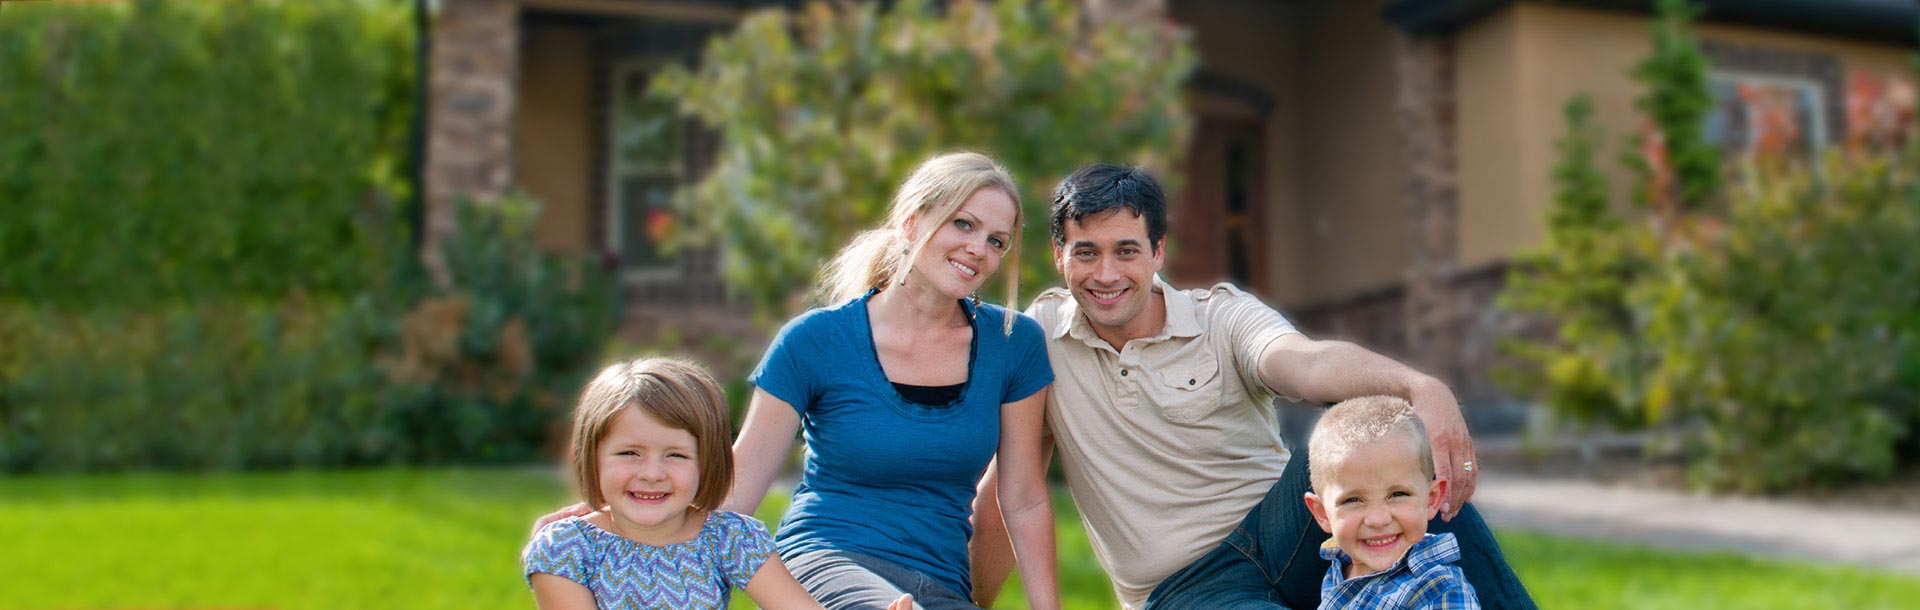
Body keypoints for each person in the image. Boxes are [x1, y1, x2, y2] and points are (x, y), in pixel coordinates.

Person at [970, 163, 1534, 610]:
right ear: (1058, 257)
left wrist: (1417, 385)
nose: (1106, 274)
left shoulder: (1221, 317)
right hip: (1186, 588)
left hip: (1290, 527)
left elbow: (1308, 365)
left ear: (1158, 252)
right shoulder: (1038, 339)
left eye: (1126, 251)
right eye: (1086, 253)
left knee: (1404, 459)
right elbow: (1010, 489)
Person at [536, 153, 1060, 610]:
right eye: (962, 225)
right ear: (911, 222)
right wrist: (620, 518)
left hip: (937, 580)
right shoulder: (815, 341)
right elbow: (740, 479)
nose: (979, 249)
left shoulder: (1014, 344)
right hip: (823, 563)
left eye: (996, 240)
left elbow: (1023, 499)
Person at [522, 358, 910, 610]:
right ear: (592, 457)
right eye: (629, 453)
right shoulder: (567, 549)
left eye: (675, 455)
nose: (652, 473)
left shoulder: (728, 538)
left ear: (707, 462)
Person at [1304, 395, 1478, 610]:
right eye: (1353, 500)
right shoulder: (1342, 563)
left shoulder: (1440, 592)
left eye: (1398, 494)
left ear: (1431, 500)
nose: (1378, 520)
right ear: (1322, 513)